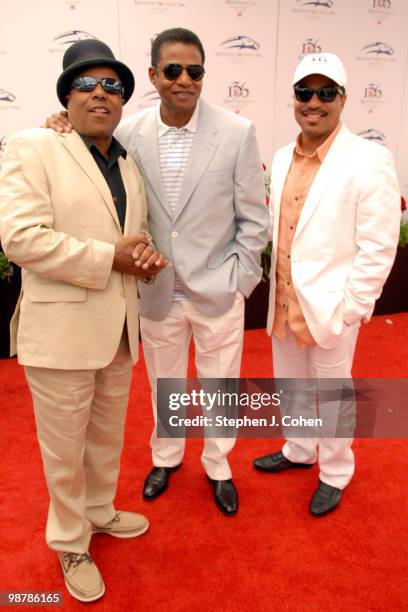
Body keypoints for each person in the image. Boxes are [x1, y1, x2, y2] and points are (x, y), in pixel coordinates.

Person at [46, 28, 269, 516]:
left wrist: (240, 282)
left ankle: (218, 464)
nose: (184, 80)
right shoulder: (129, 132)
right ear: (153, 75)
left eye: (195, 71)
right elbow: (84, 148)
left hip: (218, 289)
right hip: (156, 289)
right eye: (172, 70)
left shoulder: (236, 132)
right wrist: (61, 123)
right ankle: (167, 457)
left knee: (220, 385)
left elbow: (254, 219)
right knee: (165, 383)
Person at [0, 39, 167, 603]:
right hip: (61, 334)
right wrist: (109, 259)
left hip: (119, 329)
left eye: (114, 86)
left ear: (123, 99)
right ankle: (70, 541)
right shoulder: (34, 147)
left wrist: (141, 260)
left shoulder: (128, 163)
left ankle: (98, 512)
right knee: (63, 449)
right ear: (65, 97)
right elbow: (21, 239)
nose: (102, 92)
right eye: (87, 84)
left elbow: (128, 240)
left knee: (104, 439)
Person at [253, 52, 401, 516]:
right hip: (283, 300)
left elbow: (379, 243)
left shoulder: (370, 159)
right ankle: (299, 448)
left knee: (334, 394)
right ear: (293, 98)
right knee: (291, 386)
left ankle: (335, 470)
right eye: (304, 92)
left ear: (343, 99)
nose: (313, 102)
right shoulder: (280, 157)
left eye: (325, 92)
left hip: (332, 306)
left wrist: (353, 306)